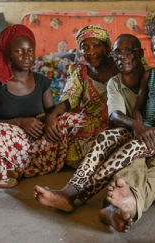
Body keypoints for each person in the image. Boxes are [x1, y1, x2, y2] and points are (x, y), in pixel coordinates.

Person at [33, 30, 155, 222]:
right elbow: (123, 113)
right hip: (138, 135)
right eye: (117, 53)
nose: (122, 57)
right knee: (125, 161)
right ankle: (90, 199)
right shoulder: (132, 80)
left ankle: (123, 207)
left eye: (128, 51)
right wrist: (138, 126)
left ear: (140, 53)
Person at [0, 24, 57, 185]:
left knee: (65, 121)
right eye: (19, 51)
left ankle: (21, 166)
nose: (26, 56)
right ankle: (10, 166)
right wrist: (20, 122)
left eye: (30, 51)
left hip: (34, 142)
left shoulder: (41, 81)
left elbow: (53, 112)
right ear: (8, 54)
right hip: (7, 143)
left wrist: (49, 119)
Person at [44, 25, 119, 169]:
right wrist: (51, 117)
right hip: (88, 121)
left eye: (96, 46)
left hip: (116, 121)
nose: (90, 52)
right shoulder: (79, 71)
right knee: (59, 125)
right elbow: (68, 101)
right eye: (85, 47)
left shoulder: (121, 66)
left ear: (106, 47)